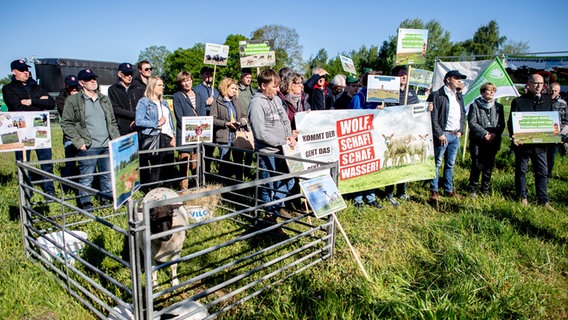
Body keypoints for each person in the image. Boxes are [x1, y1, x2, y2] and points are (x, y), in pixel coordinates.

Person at [60, 69, 120, 210]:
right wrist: (78, 141)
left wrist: (115, 139)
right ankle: (85, 202)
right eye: (89, 79)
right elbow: (66, 123)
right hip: (88, 146)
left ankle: (106, 200)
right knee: (86, 177)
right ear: (81, 83)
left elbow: (112, 120)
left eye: (94, 78)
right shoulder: (73, 100)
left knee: (107, 176)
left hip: (106, 144)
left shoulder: (104, 99)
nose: (93, 81)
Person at [2, 59, 56, 198]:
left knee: (46, 161)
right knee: (24, 161)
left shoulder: (36, 86)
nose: (25, 72)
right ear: (14, 72)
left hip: (40, 129)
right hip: (21, 130)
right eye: (22, 70)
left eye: (26, 69)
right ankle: (27, 190)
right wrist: (40, 102)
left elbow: (51, 103)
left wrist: (31, 101)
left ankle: (49, 190)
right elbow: (16, 106)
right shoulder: (9, 88)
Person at [248, 69, 296, 220]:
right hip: (267, 151)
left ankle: (274, 206)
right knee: (269, 185)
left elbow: (285, 119)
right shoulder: (256, 104)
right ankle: (270, 216)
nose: (277, 90)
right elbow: (260, 133)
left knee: (290, 178)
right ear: (263, 86)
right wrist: (282, 141)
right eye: (274, 87)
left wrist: (288, 136)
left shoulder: (275, 99)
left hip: (283, 149)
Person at [508, 74, 556, 211]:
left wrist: (553, 135)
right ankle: (522, 197)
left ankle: (543, 200)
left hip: (541, 144)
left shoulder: (547, 101)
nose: (538, 86)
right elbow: (511, 121)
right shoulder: (519, 101)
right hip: (523, 144)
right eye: (535, 83)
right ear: (529, 84)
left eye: (541, 83)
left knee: (542, 171)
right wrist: (515, 136)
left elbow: (552, 120)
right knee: (521, 171)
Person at [384, 66, 420, 206]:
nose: (404, 77)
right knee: (394, 160)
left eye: (406, 75)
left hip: (407, 133)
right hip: (394, 134)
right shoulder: (389, 92)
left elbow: (417, 110)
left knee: (403, 161)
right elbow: (387, 110)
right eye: (401, 75)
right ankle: (389, 192)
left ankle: (402, 191)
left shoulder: (411, 93)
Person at [347, 70, 384, 209]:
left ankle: (370, 197)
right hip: (360, 139)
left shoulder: (381, 98)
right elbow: (353, 118)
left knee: (372, 169)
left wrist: (382, 110)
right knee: (359, 169)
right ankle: (358, 198)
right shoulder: (359, 97)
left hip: (375, 138)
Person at [429, 70, 467, 202]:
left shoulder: (458, 96)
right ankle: (434, 190)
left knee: (450, 164)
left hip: (455, 135)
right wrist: (439, 133)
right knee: (437, 163)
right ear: (448, 79)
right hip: (443, 134)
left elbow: (462, 113)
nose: (459, 81)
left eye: (460, 79)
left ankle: (448, 189)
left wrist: (461, 130)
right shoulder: (438, 94)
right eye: (457, 78)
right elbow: (433, 116)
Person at [136, 76, 175, 190]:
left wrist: (172, 135)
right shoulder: (144, 102)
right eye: (159, 85)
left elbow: (170, 120)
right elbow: (139, 121)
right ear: (152, 86)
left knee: (168, 167)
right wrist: (156, 123)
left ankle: (167, 192)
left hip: (167, 137)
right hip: (154, 137)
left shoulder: (164, 102)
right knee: (156, 168)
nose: (162, 87)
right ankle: (153, 193)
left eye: (162, 85)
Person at [467, 82, 505, 198]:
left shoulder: (499, 107)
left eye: (493, 90)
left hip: (493, 141)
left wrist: (494, 134)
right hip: (478, 141)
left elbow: (501, 123)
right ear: (483, 92)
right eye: (489, 90)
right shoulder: (475, 106)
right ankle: (473, 189)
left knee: (488, 166)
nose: (492, 92)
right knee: (477, 165)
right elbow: (472, 123)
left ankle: (485, 190)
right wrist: (485, 134)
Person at [211, 78, 248, 182]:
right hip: (224, 136)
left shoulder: (237, 101)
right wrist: (225, 123)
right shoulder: (217, 102)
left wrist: (240, 122)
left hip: (237, 136)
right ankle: (224, 184)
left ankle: (239, 183)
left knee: (238, 161)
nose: (235, 90)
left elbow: (245, 116)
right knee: (224, 161)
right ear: (225, 88)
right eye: (232, 88)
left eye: (236, 89)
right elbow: (212, 119)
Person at [172, 71, 204, 190]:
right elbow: (179, 117)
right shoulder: (177, 96)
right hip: (185, 135)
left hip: (198, 134)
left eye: (188, 80)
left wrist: (199, 128)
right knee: (184, 163)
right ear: (180, 83)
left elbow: (201, 114)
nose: (187, 83)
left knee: (196, 162)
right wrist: (191, 127)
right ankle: (184, 189)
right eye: (184, 81)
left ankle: (197, 187)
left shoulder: (199, 95)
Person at [55, 74, 80, 190]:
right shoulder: (61, 98)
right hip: (69, 136)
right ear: (66, 86)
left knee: (85, 162)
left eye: (76, 86)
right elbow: (66, 113)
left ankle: (82, 185)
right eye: (71, 87)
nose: (74, 89)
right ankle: (68, 187)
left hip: (83, 135)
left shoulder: (82, 95)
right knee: (70, 162)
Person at [193, 66, 219, 173]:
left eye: (210, 74)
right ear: (202, 75)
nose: (209, 76)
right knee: (199, 150)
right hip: (201, 123)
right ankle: (198, 173)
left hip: (213, 123)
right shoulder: (196, 90)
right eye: (207, 74)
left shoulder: (215, 91)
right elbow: (193, 106)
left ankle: (207, 172)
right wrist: (205, 103)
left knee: (210, 149)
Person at [108, 63, 144, 136]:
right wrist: (134, 115)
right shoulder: (113, 89)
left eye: (131, 74)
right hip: (123, 128)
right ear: (120, 74)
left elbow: (143, 105)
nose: (129, 76)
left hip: (139, 126)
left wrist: (137, 118)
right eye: (127, 74)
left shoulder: (138, 87)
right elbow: (115, 109)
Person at [236, 68, 256, 180]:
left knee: (250, 148)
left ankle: (247, 172)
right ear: (241, 77)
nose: (249, 79)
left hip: (250, 122)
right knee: (239, 149)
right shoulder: (237, 90)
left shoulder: (253, 91)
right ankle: (239, 173)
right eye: (246, 77)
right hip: (239, 122)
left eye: (250, 78)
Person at [546, 82, 567, 178]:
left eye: (555, 90)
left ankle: (548, 174)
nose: (553, 92)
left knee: (551, 155)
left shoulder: (563, 103)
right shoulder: (543, 100)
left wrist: (561, 132)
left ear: (559, 91)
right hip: (543, 131)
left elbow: (566, 120)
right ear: (548, 89)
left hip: (555, 133)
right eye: (551, 90)